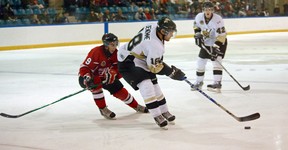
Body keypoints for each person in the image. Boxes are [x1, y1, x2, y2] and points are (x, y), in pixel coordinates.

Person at [117, 17, 186, 128]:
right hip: (128, 61)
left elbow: (152, 59)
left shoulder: (154, 25)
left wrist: (169, 70)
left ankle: (164, 111)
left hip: (139, 57)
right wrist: (171, 72)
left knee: (155, 85)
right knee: (146, 85)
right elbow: (154, 68)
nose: (172, 34)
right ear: (163, 32)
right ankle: (157, 115)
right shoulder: (155, 46)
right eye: (171, 32)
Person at [78, 33, 148, 120]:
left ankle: (136, 105)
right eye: (112, 44)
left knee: (119, 89)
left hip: (105, 77)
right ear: (106, 45)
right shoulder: (96, 52)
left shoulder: (117, 54)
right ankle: (103, 109)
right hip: (88, 77)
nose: (114, 46)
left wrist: (114, 74)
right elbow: (84, 67)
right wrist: (86, 76)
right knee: (95, 82)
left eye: (116, 44)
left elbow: (120, 70)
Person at [191, 1, 228, 93]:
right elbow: (196, 26)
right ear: (203, 10)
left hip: (220, 42)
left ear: (213, 10)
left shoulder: (218, 19)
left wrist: (216, 47)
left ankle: (217, 83)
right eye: (206, 9)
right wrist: (198, 34)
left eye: (210, 9)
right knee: (200, 62)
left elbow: (222, 35)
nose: (207, 11)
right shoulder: (199, 16)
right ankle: (199, 82)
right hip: (207, 42)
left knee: (217, 62)